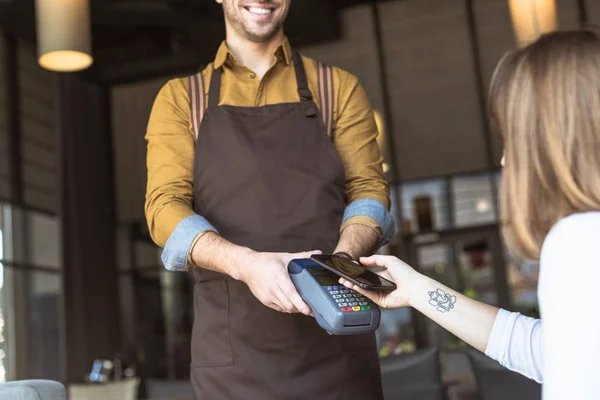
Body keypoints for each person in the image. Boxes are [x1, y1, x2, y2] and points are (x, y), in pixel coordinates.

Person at [144, 0, 394, 398]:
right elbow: (163, 209)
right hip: (233, 361)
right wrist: (245, 264)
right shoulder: (180, 100)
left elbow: (370, 191)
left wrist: (339, 264)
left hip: (338, 348)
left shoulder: (337, 89)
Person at [341, 30, 600, 400]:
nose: (506, 160)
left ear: (556, 141)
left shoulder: (578, 239)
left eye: (514, 138)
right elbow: (546, 352)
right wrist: (415, 289)